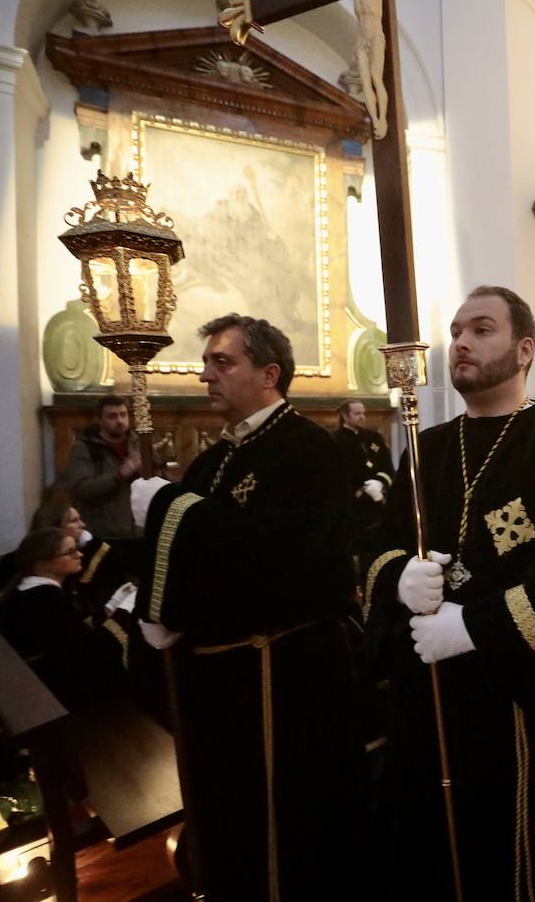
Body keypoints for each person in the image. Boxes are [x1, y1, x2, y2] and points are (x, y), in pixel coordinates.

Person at [363, 287, 535, 900]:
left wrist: (473, 626)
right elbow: (380, 549)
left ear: (524, 351)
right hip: (432, 699)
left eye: (481, 329)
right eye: (457, 329)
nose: (461, 341)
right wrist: (397, 578)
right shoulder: (427, 447)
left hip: (524, 703)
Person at [129, 314, 364, 902]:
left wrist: (166, 507)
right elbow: (199, 559)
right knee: (229, 819)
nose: (205, 375)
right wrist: (165, 609)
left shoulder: (308, 450)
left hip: (283, 676)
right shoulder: (214, 461)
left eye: (221, 362)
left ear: (269, 373)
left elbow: (271, 555)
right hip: (220, 678)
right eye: (206, 362)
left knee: (284, 824)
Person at [0, 527, 125, 708]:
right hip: (52, 688)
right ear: (42, 564)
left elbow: (69, 634)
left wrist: (107, 611)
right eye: (70, 552)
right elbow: (88, 654)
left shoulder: (24, 591)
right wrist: (121, 615)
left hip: (36, 675)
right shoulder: (50, 600)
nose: (80, 555)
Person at [64, 395, 141, 539]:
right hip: (104, 532)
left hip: (139, 530)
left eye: (123, 415)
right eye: (112, 416)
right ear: (100, 420)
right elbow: (81, 489)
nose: (120, 421)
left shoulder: (138, 443)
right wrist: (119, 475)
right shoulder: (84, 448)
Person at [333, 397, 394, 556]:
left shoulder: (374, 437)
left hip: (378, 503)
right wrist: (362, 488)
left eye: (363, 413)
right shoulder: (335, 440)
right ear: (345, 416)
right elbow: (338, 473)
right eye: (357, 413)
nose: (362, 417)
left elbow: (387, 465)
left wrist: (380, 483)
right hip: (354, 506)